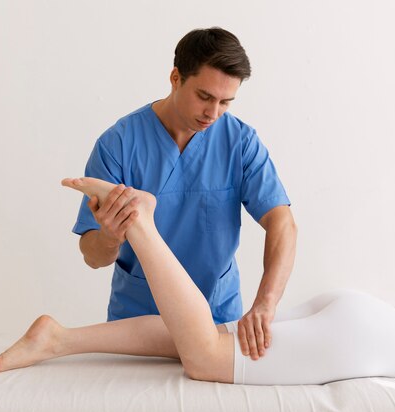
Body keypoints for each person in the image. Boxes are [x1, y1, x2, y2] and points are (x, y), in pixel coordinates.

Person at [0, 177, 395, 385]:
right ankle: (142, 227)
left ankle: (59, 338)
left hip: (376, 317)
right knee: (206, 355)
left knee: (213, 334)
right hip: (389, 345)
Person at [74, 27, 296, 362]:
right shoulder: (118, 144)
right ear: (175, 78)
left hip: (217, 319)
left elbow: (283, 223)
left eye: (226, 102)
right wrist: (109, 235)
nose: (213, 113)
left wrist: (266, 304)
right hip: (137, 322)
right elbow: (93, 257)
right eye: (205, 97)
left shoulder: (240, 142)